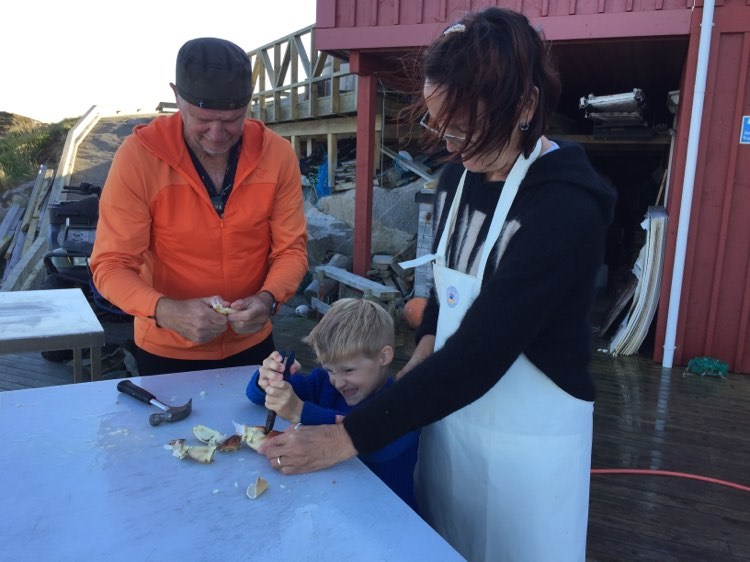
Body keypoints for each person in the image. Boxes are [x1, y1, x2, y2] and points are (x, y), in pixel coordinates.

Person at [259, 8, 617, 562]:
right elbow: (445, 294)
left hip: (529, 445)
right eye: (444, 127)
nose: (456, 147)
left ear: (525, 107)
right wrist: (424, 344)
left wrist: (346, 436)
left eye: (471, 129)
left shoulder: (563, 208)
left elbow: (482, 348)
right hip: (451, 422)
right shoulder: (456, 180)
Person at [90, 37, 308, 376]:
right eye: (203, 119)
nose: (218, 135)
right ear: (177, 97)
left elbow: (291, 251)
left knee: (259, 432)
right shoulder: (138, 158)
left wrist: (269, 299)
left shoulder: (277, 155)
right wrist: (164, 310)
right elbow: (111, 265)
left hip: (253, 343)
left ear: (249, 104)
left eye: (233, 119)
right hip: (165, 348)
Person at [246, 298, 420, 510]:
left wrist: (301, 412)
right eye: (330, 370)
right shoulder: (322, 383)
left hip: (388, 517)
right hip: (333, 507)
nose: (337, 382)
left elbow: (371, 442)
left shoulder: (403, 405)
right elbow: (255, 398)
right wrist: (268, 380)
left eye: (348, 370)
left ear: (384, 356)